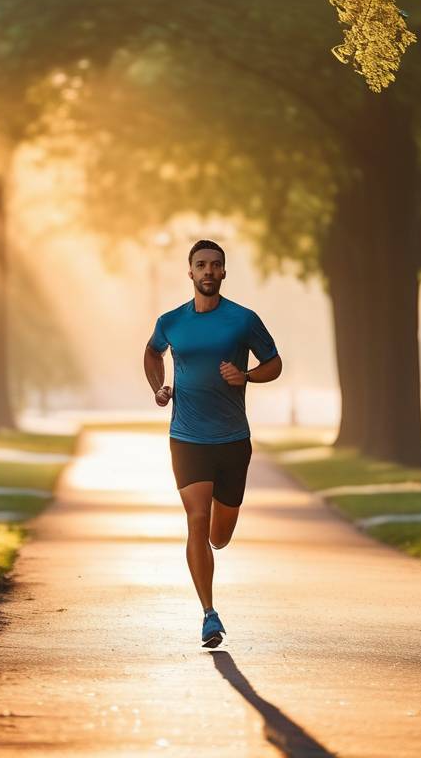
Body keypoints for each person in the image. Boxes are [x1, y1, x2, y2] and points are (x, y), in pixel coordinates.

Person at [143, 239, 282, 648]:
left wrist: (248, 376)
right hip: (186, 437)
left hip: (233, 441)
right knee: (197, 521)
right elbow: (152, 354)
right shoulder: (171, 321)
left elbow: (274, 363)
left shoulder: (243, 320)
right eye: (200, 265)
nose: (208, 271)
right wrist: (159, 388)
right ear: (190, 272)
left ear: (223, 272)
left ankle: (216, 556)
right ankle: (208, 614)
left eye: (215, 265)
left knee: (219, 535)